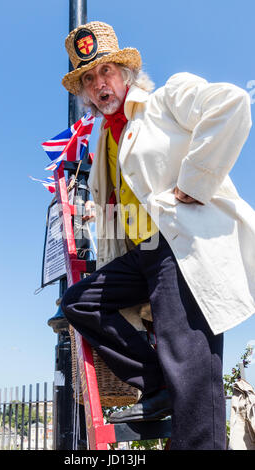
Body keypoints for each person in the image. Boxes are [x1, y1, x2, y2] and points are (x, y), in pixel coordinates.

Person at [60, 21, 255, 450]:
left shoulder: (166, 99)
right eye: (88, 79)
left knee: (191, 367)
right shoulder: (103, 139)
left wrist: (194, 181)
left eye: (105, 71)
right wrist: (102, 216)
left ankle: (177, 396)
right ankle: (157, 383)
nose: (99, 84)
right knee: (80, 302)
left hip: (181, 249)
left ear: (125, 73)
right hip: (143, 254)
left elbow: (233, 103)